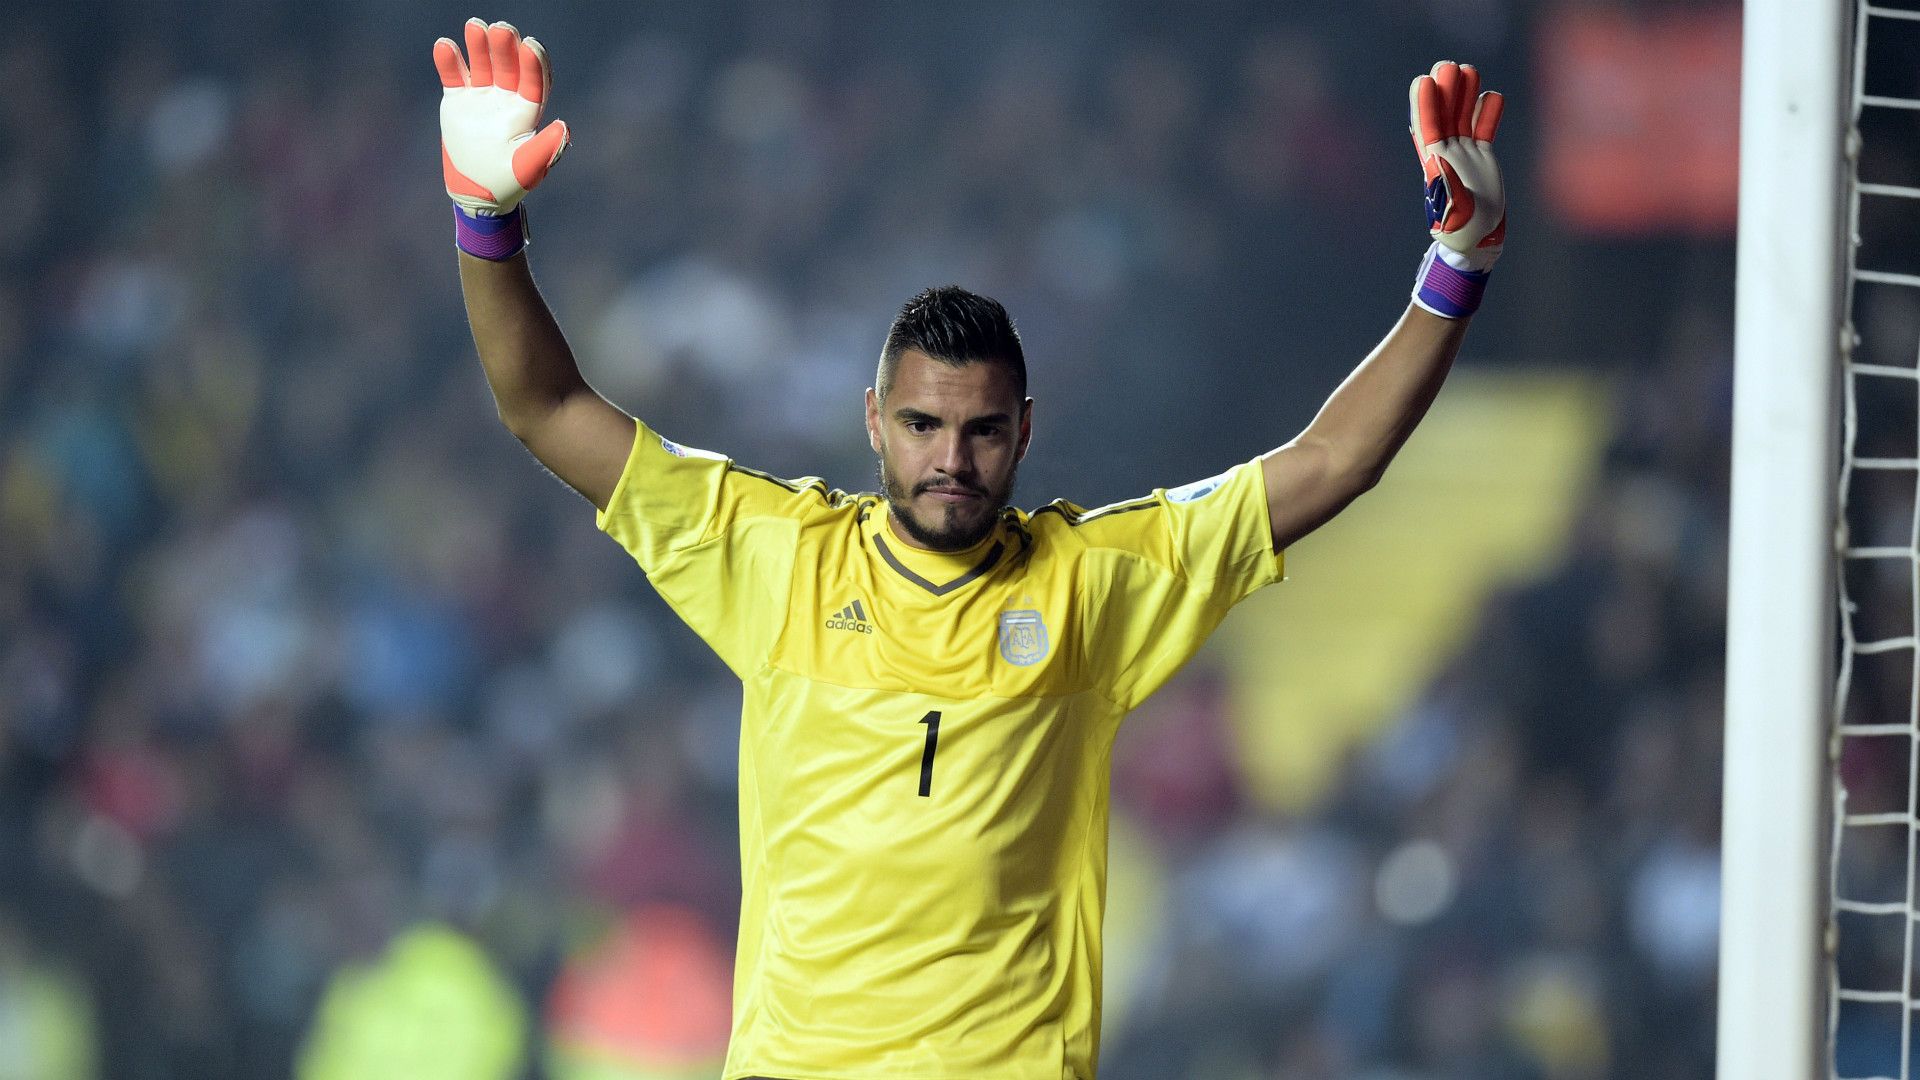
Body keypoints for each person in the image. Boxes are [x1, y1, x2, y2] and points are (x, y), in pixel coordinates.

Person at [433, 17, 1506, 1080]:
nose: (952, 457)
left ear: (1024, 431)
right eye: (922, 426)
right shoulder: (777, 556)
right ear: (872, 421)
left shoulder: (1095, 586)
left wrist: (1455, 266)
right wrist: (488, 218)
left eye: (982, 430)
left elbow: (1331, 463)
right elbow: (547, 406)